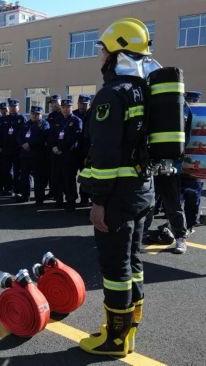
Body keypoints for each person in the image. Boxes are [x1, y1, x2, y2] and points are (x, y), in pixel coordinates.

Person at [78, 18, 157, 356]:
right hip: (143, 191)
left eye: (104, 51)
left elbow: (106, 156)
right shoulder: (146, 91)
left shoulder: (113, 94)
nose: (101, 57)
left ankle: (115, 339)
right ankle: (128, 330)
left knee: (115, 269)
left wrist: (98, 201)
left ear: (117, 54)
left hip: (118, 197)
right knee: (132, 261)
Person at [48, 99, 82, 211]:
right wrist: (53, 146)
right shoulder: (57, 120)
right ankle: (59, 200)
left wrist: (61, 148)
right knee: (57, 178)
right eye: (63, 107)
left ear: (72, 108)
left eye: (68, 107)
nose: (65, 109)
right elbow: (52, 135)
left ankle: (71, 202)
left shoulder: (76, 120)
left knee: (69, 179)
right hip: (57, 154)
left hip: (69, 155)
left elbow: (74, 138)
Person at [16, 106, 50, 205]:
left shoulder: (44, 124)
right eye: (33, 113)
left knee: (38, 178)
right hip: (25, 155)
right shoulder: (26, 124)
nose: (35, 115)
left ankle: (39, 198)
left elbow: (43, 138)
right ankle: (25, 196)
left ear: (41, 114)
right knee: (24, 176)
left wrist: (30, 144)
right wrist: (22, 143)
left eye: (37, 114)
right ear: (30, 114)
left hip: (38, 155)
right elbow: (19, 136)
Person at [181, 91, 203, 235]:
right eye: (189, 101)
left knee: (193, 199)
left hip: (197, 164)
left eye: (193, 101)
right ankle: (180, 226)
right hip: (181, 164)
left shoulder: (201, 118)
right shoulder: (182, 115)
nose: (191, 103)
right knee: (178, 199)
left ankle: (189, 224)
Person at [73, 94, 93, 206]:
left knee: (86, 176)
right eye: (80, 103)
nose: (82, 106)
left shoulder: (93, 114)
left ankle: (85, 198)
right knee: (72, 176)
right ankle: (73, 198)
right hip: (75, 150)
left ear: (89, 104)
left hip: (87, 151)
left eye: (85, 104)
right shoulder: (74, 114)